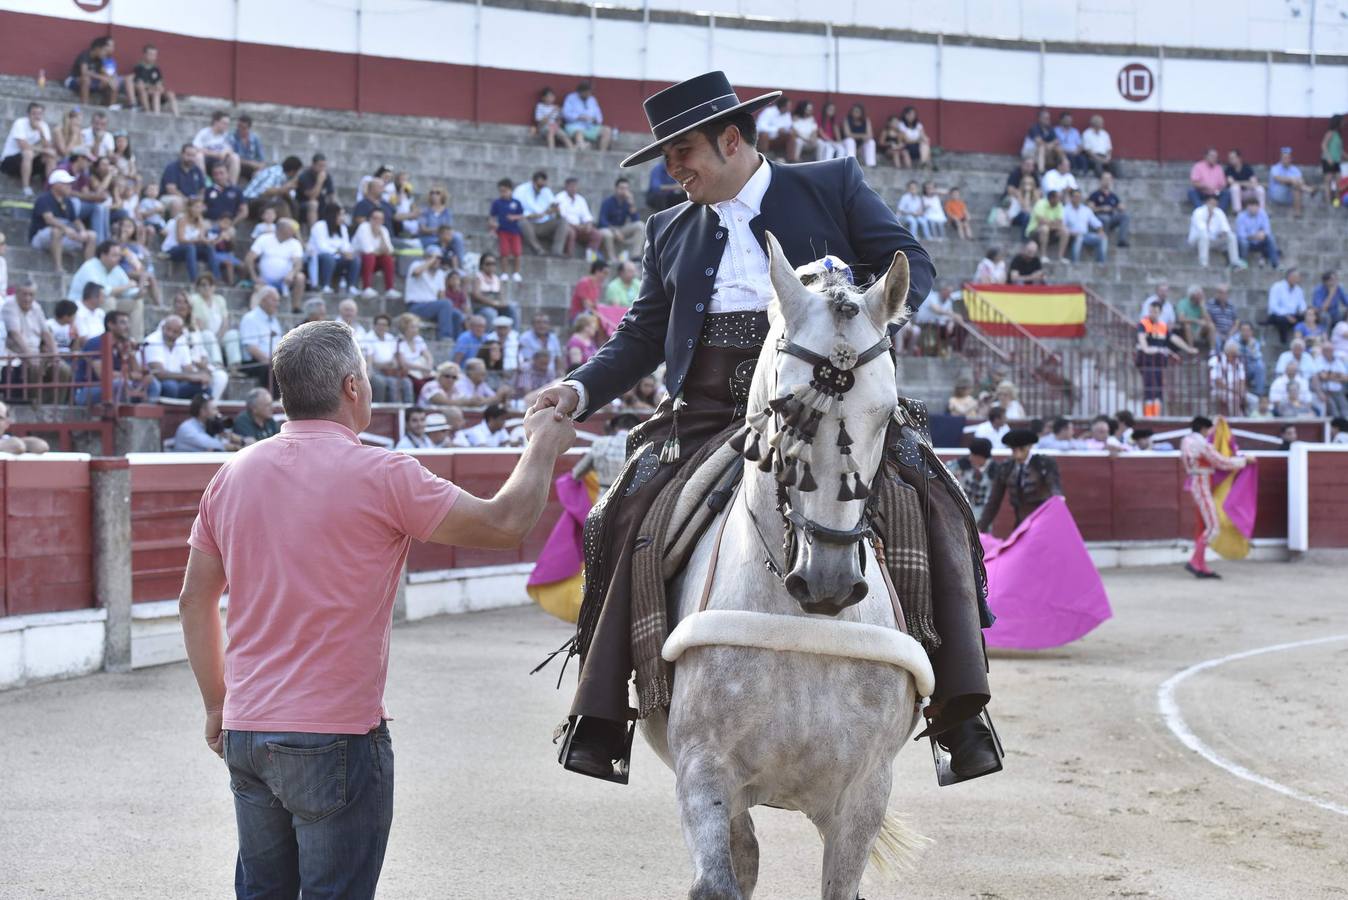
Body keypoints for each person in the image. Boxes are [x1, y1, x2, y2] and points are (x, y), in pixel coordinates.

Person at [529, 71, 997, 786]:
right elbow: (641, 335)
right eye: (666, 157)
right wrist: (577, 386)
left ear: (730, 139)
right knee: (619, 511)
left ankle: (961, 713)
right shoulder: (668, 229)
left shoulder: (832, 183)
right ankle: (601, 716)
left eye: (682, 151)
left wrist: (864, 313)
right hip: (711, 407)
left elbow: (915, 263)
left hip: (830, 388)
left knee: (936, 497)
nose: (673, 169)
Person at [178, 319, 575, 898]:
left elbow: (195, 601)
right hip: (335, 732)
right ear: (353, 389)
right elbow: (506, 522)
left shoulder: (232, 474)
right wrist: (542, 443)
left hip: (248, 727)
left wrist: (218, 703)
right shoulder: (383, 474)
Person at [1179, 416, 1248, 578]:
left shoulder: (1186, 440)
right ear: (1203, 429)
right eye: (1208, 430)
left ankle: (1201, 565)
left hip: (1198, 482)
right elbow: (1221, 462)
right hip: (1202, 485)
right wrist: (1244, 461)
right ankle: (1195, 562)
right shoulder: (1201, 444)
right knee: (1213, 527)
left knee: (1204, 526)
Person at [977, 429, 1064, 533]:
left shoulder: (1044, 464)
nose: (1017, 452)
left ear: (1029, 446)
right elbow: (994, 501)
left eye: (1021, 448)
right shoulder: (1006, 468)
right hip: (1021, 523)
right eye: (1014, 449)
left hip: (1043, 523)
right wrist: (981, 527)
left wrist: (1059, 501)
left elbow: (1055, 489)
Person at [1136, 298, 1198, 418]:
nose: (1152, 314)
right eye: (1151, 311)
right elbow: (1142, 339)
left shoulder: (1162, 326)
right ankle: (1149, 416)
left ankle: (1156, 415)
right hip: (1147, 361)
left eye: (1155, 312)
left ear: (1160, 313)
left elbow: (1174, 339)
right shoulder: (1143, 324)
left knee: (1158, 389)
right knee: (1149, 388)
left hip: (1158, 361)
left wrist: (1188, 349)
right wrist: (1147, 349)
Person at [30, 170, 97, 271]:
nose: (69, 186)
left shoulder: (67, 201)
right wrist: (66, 229)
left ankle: (89, 269)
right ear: (56, 185)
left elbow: (76, 220)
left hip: (63, 237)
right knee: (57, 231)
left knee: (91, 235)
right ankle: (58, 267)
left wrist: (82, 231)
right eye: (66, 184)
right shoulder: (44, 199)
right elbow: (49, 219)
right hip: (41, 238)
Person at [143, 314, 211, 399]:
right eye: (168, 329)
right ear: (163, 327)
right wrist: (190, 376)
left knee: (203, 386)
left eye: (175, 332)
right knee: (170, 386)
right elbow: (159, 373)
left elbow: (188, 369)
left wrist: (201, 376)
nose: (170, 334)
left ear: (181, 333)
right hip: (157, 383)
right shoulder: (152, 341)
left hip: (178, 382)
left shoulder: (181, 342)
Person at [404, 246, 462, 340]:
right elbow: (416, 272)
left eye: (439, 258)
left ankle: (456, 344)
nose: (437, 260)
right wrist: (431, 260)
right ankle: (445, 337)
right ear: (426, 257)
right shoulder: (416, 265)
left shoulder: (440, 274)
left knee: (456, 314)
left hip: (433, 307)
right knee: (445, 304)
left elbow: (441, 296)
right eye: (435, 257)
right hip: (416, 306)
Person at [245, 217, 306, 307]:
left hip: (286, 281)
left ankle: (295, 307)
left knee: (300, 277)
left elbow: (298, 263)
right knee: (257, 288)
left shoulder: (295, 243)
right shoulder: (264, 239)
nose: (293, 232)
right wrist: (254, 277)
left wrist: (292, 273)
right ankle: (254, 312)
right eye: (291, 230)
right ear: (282, 229)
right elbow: (249, 258)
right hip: (265, 280)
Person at [2, 102, 60, 197]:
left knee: (50, 156)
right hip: (10, 162)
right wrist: (44, 150)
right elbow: (23, 146)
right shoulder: (20, 123)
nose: (37, 117)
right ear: (28, 114)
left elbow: (48, 147)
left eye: (40, 114)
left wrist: (41, 132)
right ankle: (26, 188)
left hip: (30, 163)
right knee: (28, 153)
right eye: (34, 113)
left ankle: (50, 189)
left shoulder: (43, 126)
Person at [514, 170, 570, 257]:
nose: (541, 188)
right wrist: (532, 215)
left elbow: (553, 207)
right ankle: (538, 249)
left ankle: (557, 251)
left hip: (544, 223)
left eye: (543, 185)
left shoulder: (546, 191)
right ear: (533, 182)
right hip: (529, 223)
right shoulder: (521, 190)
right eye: (539, 185)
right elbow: (516, 211)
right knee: (522, 222)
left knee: (563, 221)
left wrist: (556, 211)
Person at [945, 438, 997, 524]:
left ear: (981, 458)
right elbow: (943, 469)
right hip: (961, 509)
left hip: (982, 513)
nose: (970, 458)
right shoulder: (963, 463)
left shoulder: (994, 471)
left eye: (974, 455)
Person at [1187, 194, 1243, 268]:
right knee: (1204, 235)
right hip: (1197, 240)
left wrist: (1223, 233)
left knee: (1231, 236)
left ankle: (1235, 261)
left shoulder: (1219, 212)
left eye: (1214, 204)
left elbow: (1226, 228)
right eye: (1211, 203)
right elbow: (1202, 229)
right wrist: (1209, 217)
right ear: (1206, 203)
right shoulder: (1198, 212)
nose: (1212, 206)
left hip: (1213, 240)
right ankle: (1203, 263)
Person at [173, 392, 239, 452]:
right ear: (203, 411)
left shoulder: (208, 426)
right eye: (214, 409)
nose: (217, 412)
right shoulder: (187, 428)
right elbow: (213, 444)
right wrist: (240, 447)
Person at [598, 176, 644, 262]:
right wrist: (614, 231)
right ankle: (612, 258)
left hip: (621, 229)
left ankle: (635, 255)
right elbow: (602, 221)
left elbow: (635, 219)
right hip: (608, 229)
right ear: (616, 189)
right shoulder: (607, 202)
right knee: (608, 234)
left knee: (640, 225)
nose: (624, 191)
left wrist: (632, 204)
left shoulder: (628, 202)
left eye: (626, 188)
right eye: (621, 188)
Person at [562, 80, 612, 151]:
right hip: (575, 126)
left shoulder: (592, 99)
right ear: (580, 92)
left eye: (589, 93)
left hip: (590, 127)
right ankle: (583, 147)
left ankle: (602, 154)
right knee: (579, 133)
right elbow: (565, 114)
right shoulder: (571, 98)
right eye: (586, 93)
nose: (588, 94)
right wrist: (579, 117)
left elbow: (599, 117)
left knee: (607, 130)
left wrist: (595, 120)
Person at [1085, 171, 1130, 249]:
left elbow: (1121, 206)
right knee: (1105, 218)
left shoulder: (1113, 196)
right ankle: (1102, 241)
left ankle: (1122, 240)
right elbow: (1089, 210)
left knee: (1125, 216)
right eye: (1105, 179)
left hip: (1111, 216)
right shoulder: (1095, 194)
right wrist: (1101, 208)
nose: (1107, 181)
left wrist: (1118, 208)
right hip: (1099, 217)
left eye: (1109, 179)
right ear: (1101, 180)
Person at [132, 44, 179, 115]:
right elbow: (140, 84)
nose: (153, 57)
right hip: (145, 94)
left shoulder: (156, 69)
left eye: (154, 55)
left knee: (170, 93)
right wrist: (152, 87)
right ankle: (156, 115)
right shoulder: (139, 67)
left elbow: (159, 83)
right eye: (150, 54)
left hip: (157, 92)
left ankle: (177, 115)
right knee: (155, 93)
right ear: (144, 55)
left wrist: (159, 87)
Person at [1268, 147, 1316, 216]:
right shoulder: (1275, 168)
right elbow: (1278, 179)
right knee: (1294, 183)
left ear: (1291, 159)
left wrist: (1295, 182)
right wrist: (1291, 180)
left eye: (1288, 158)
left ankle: (1297, 213)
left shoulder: (1295, 169)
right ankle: (1309, 190)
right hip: (1277, 194)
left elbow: (1301, 181)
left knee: (1296, 187)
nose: (1286, 160)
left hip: (1290, 195)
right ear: (1280, 158)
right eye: (1284, 158)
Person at [1233, 196, 1279, 269]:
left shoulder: (1262, 213)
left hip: (1260, 240)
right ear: (1247, 207)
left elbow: (1267, 230)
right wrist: (1254, 236)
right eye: (1251, 206)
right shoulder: (1241, 216)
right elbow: (1241, 235)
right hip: (1248, 241)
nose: (1253, 209)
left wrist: (1263, 234)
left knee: (1270, 238)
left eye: (1255, 206)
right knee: (1243, 242)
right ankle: (1243, 263)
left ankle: (1275, 263)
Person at [1062, 189, 1106, 263]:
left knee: (1103, 238)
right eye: (1075, 196)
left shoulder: (1086, 210)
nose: (1077, 198)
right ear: (1071, 197)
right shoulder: (1065, 209)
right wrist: (1071, 233)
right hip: (1072, 235)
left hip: (1085, 235)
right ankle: (1075, 263)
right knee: (1079, 238)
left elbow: (1096, 223)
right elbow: (1062, 225)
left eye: (1079, 197)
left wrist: (1100, 231)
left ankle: (1101, 263)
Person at [1267, 268, 1307, 346]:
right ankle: (1283, 342)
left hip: (1293, 315)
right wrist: (1286, 315)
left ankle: (1302, 341)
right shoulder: (1277, 287)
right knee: (1282, 320)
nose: (1297, 279)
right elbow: (1273, 306)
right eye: (1295, 277)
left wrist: (1303, 311)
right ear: (1289, 277)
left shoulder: (1298, 289)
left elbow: (1302, 304)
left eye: (1298, 277)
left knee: (1306, 317)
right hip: (1278, 315)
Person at [1026, 190, 1068, 260]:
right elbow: (1041, 221)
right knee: (1044, 228)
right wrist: (1053, 224)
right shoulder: (1040, 203)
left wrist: (1050, 224)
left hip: (1051, 230)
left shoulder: (1059, 205)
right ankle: (1043, 256)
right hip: (1034, 231)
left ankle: (1061, 257)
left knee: (1065, 231)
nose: (1060, 200)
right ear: (1052, 198)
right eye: (1058, 198)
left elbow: (1059, 222)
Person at [1020, 107, 1058, 174]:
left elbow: (1057, 141)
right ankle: (1041, 171)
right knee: (1042, 148)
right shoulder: (1034, 128)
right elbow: (1039, 142)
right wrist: (1050, 145)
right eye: (1046, 118)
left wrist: (1050, 145)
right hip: (1029, 152)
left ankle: (1063, 168)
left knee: (1057, 149)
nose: (1048, 120)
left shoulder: (1050, 129)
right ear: (1040, 119)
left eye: (1048, 118)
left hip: (1041, 152)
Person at [841, 103, 877, 167]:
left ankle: (871, 164)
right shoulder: (847, 120)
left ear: (861, 113)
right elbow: (847, 134)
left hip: (861, 145)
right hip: (848, 145)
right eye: (854, 111)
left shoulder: (866, 120)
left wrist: (862, 140)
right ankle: (851, 164)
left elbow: (870, 135)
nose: (855, 113)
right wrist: (862, 136)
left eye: (857, 112)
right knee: (850, 141)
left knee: (871, 142)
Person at [1322, 116, 1344, 201]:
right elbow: (1323, 145)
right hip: (1328, 160)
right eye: (1341, 122)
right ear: (1337, 122)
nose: (1343, 123)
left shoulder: (1338, 134)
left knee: (1338, 180)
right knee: (1328, 181)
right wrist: (1329, 158)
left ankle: (1336, 200)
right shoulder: (1330, 133)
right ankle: (1328, 201)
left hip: (1336, 161)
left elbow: (1340, 150)